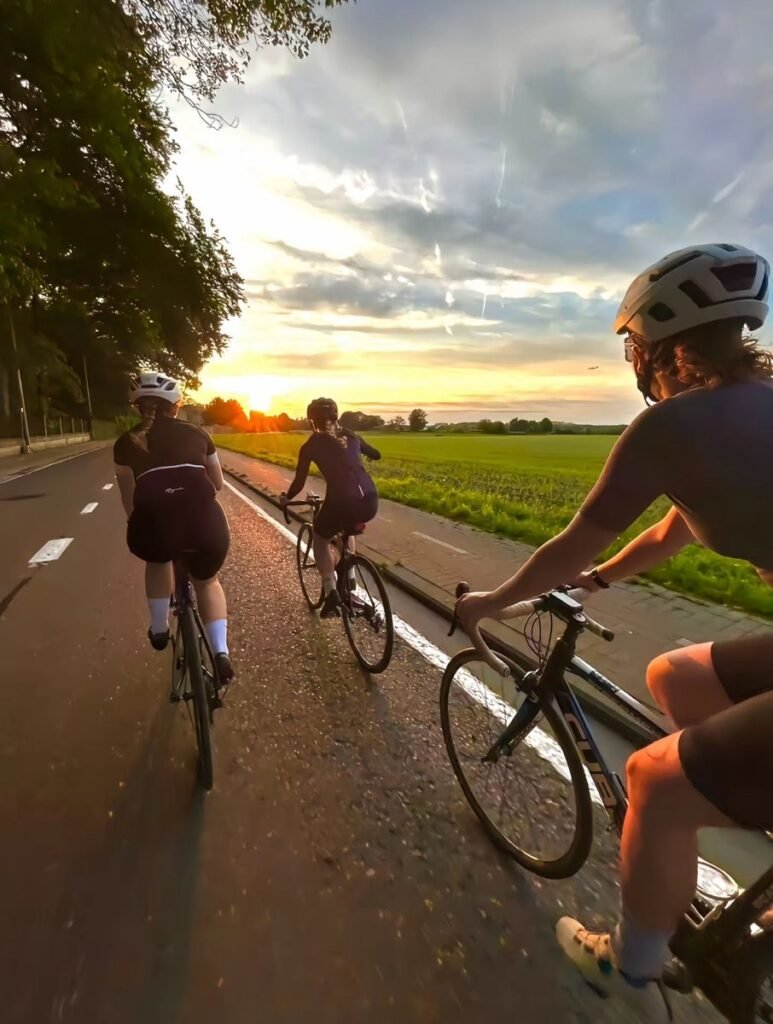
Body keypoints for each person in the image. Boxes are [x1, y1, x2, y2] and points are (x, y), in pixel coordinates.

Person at [456, 243, 773, 1017]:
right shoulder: (749, 405)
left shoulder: (669, 426)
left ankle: (628, 972)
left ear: (657, 346)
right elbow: (675, 526)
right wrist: (597, 582)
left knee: (653, 783)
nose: (632, 360)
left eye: (632, 343)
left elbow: (570, 542)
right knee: (676, 675)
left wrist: (489, 602)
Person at [113, 372, 234, 684]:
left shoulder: (125, 444)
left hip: (156, 525)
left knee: (158, 561)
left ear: (138, 407)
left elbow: (129, 497)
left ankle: (159, 629)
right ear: (175, 405)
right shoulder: (199, 434)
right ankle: (221, 651)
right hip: (205, 524)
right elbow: (218, 484)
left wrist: (138, 524)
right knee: (207, 582)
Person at [280, 398, 381, 618]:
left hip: (342, 501)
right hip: (371, 500)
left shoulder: (311, 445)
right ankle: (350, 576)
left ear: (312, 422)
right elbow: (376, 454)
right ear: (336, 416)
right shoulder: (351, 435)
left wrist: (286, 498)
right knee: (347, 527)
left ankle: (331, 591)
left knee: (320, 535)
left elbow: (299, 482)